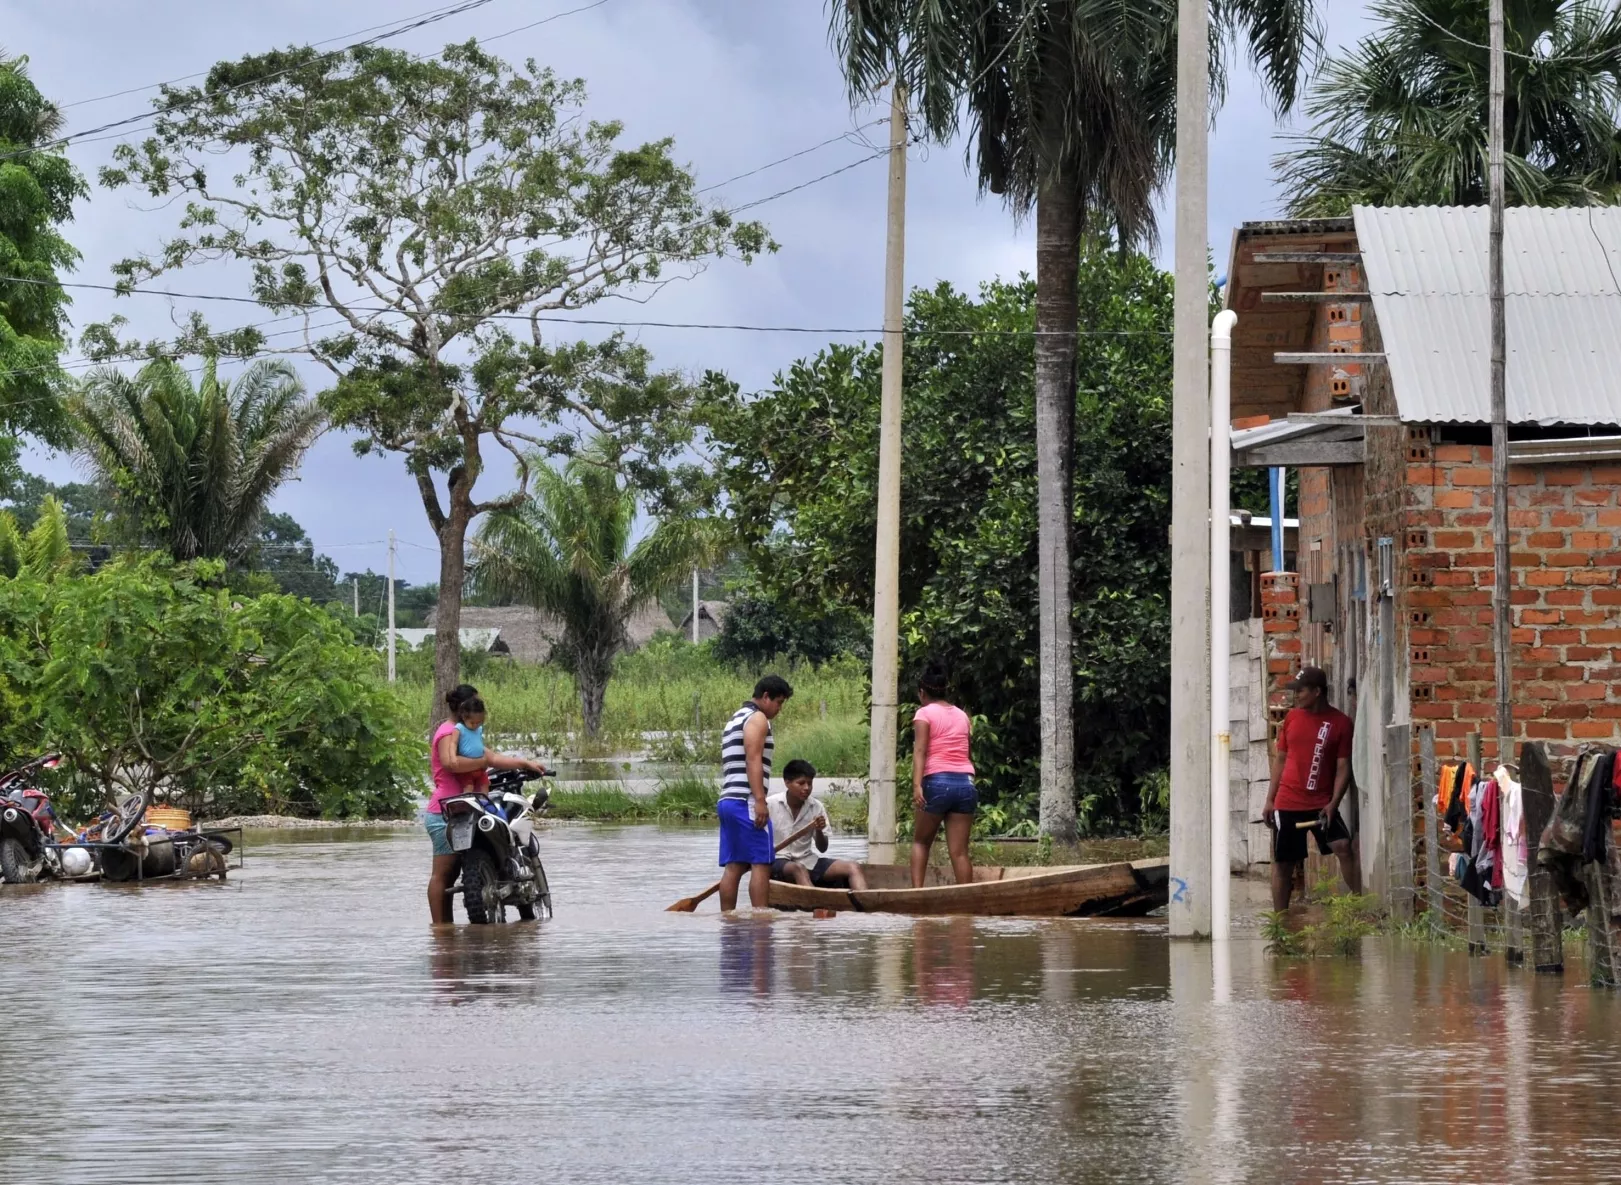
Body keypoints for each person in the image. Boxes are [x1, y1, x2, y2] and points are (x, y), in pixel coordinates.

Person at [425, 684, 546, 924]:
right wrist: (481, 762)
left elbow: (492, 758)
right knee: (443, 875)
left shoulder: (468, 731)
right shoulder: (449, 732)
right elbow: (452, 763)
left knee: (452, 874)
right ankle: (440, 933)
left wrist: (524, 763)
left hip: (468, 806)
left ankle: (447, 937)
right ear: (464, 709)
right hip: (446, 810)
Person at [1263, 666, 1362, 911]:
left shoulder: (1341, 723)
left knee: (1343, 847)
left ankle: (1361, 906)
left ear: (1317, 692)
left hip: (1321, 805)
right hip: (1287, 803)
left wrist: (1333, 804)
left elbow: (1343, 768)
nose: (1296, 696)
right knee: (1284, 864)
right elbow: (1281, 759)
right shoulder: (1292, 718)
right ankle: (1280, 923)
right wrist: (1269, 800)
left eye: (1301, 691)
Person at [717, 674, 793, 911]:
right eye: (778, 702)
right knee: (762, 862)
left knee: (736, 864)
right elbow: (753, 758)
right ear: (766, 696)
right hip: (745, 801)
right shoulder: (757, 718)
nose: (779, 709)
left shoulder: (734, 719)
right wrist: (760, 800)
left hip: (729, 800)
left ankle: (727, 921)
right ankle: (761, 921)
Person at [910, 658, 976, 888]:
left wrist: (917, 785)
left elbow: (920, 751)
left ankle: (916, 897)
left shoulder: (924, 714)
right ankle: (967, 906)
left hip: (937, 782)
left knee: (920, 843)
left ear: (922, 692)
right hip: (966, 784)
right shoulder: (962, 715)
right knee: (959, 853)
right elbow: (966, 750)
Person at [767, 759, 868, 891]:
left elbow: (822, 848)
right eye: (801, 783)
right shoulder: (770, 804)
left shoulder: (816, 807)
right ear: (787, 782)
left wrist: (819, 830)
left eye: (809, 783)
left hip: (807, 860)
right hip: (777, 860)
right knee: (798, 869)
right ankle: (815, 904)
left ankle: (866, 906)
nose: (806, 788)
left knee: (853, 867)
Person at [453, 696, 491, 794]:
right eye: (472, 723)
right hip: (467, 767)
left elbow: (479, 743)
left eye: (478, 722)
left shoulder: (479, 729)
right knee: (468, 786)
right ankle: (467, 805)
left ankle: (485, 804)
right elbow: (453, 743)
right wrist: (452, 756)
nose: (475, 725)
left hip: (480, 767)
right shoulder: (459, 728)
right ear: (464, 717)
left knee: (485, 784)